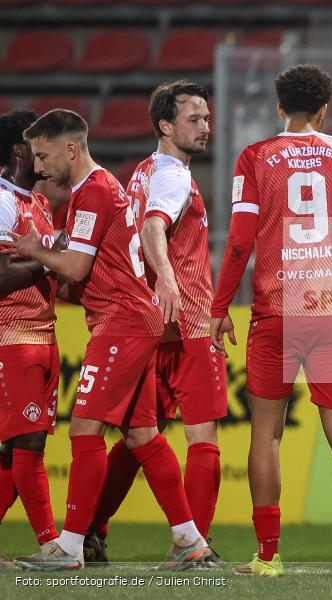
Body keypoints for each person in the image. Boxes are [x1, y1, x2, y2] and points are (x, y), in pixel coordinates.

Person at [210, 64, 332, 578]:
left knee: (265, 435)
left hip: (276, 312)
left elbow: (242, 241)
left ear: (279, 108)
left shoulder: (254, 157)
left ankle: (267, 557)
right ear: (325, 109)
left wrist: (219, 306)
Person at [7, 109, 209, 571]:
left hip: (121, 321)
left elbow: (77, 270)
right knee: (142, 434)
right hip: (129, 319)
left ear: (70, 149)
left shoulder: (94, 191)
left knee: (85, 429)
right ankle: (189, 539)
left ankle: (71, 545)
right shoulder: (90, 191)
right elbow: (84, 269)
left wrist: (38, 249)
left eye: (43, 155)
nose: (38, 168)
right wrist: (53, 250)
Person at [84, 81, 226, 566]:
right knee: (202, 437)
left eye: (207, 118)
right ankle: (196, 545)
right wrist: (167, 278)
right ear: (166, 125)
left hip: (145, 322)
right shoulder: (174, 177)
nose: (206, 127)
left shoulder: (140, 173)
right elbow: (152, 227)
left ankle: (90, 529)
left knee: (138, 433)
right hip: (183, 322)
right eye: (194, 119)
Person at [0, 110, 59, 568]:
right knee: (29, 442)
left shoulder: (38, 205)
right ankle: (51, 545)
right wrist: (48, 259)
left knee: (11, 448)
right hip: (10, 337)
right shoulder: (1, 201)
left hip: (41, 335)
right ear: (19, 150)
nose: (46, 153)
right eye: (38, 144)